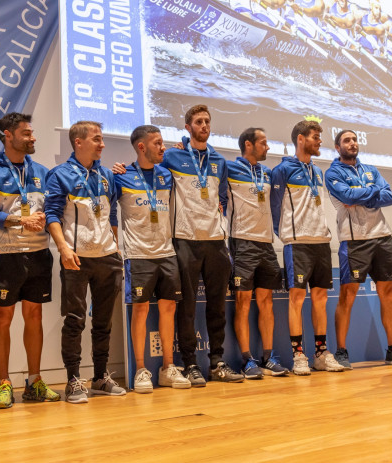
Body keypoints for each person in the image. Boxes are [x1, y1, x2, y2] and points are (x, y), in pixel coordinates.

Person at [0, 112, 61, 408]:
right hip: (6, 256)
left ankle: (34, 381)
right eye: (26, 133)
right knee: (3, 317)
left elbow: (52, 211)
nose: (32, 137)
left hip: (39, 255)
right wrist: (18, 221)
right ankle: (4, 383)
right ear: (8, 135)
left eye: (32, 133)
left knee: (34, 316)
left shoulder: (43, 171)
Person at [44, 121, 126, 404]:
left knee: (102, 322)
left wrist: (116, 248)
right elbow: (52, 215)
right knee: (75, 320)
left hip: (108, 258)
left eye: (102, 139)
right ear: (78, 142)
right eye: (97, 139)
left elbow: (111, 214)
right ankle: (73, 379)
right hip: (76, 259)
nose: (102, 144)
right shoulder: (60, 175)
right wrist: (63, 248)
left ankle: (101, 376)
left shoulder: (106, 176)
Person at [325, 129, 392, 369]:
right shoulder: (333, 172)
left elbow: (388, 197)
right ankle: (342, 352)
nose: (352, 143)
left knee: (388, 294)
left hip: (383, 237)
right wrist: (371, 193)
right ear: (338, 147)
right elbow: (345, 195)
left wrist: (361, 196)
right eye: (347, 140)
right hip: (354, 240)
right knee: (348, 296)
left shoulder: (371, 170)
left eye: (355, 139)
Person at [163, 104, 243, 385]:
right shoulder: (171, 155)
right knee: (186, 306)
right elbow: (149, 173)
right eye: (198, 122)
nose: (204, 126)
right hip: (185, 240)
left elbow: (221, 198)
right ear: (188, 127)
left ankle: (217, 362)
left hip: (215, 242)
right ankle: (189, 364)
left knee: (217, 306)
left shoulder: (218, 160)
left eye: (207, 121)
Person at [115, 125, 190, 392]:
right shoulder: (121, 176)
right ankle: (140, 369)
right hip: (138, 255)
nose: (163, 147)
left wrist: (180, 148)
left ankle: (168, 368)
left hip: (167, 252)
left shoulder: (166, 175)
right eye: (157, 143)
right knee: (141, 310)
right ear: (141, 147)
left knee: (169, 308)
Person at [270, 121, 344, 375]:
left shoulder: (318, 171)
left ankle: (321, 354)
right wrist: (286, 236)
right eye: (315, 137)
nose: (319, 141)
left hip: (321, 242)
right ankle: (298, 355)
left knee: (321, 299)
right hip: (297, 243)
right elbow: (274, 207)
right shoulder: (282, 169)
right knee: (297, 298)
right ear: (301, 139)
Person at [227, 128, 289, 379]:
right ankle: (246, 359)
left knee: (266, 302)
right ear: (249, 145)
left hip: (266, 244)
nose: (268, 148)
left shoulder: (267, 172)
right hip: (242, 243)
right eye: (264, 143)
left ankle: (268, 357)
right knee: (242, 303)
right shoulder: (229, 169)